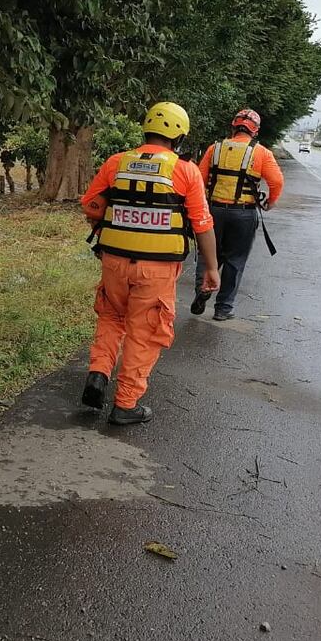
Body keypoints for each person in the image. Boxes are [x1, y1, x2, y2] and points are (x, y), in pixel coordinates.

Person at [80, 102, 220, 425]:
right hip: (156, 270)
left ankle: (99, 373)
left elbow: (91, 205)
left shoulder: (117, 162)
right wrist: (211, 268)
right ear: (179, 137)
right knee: (145, 330)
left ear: (146, 129)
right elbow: (202, 224)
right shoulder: (185, 171)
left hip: (113, 262)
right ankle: (125, 403)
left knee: (112, 317)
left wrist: (106, 228)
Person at [191, 108, 284, 322]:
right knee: (235, 260)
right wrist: (270, 202)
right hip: (243, 214)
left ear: (233, 127)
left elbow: (198, 178)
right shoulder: (261, 153)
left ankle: (202, 290)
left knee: (208, 255)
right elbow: (276, 181)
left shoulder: (215, 149)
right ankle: (223, 308)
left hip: (213, 211)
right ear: (255, 131)